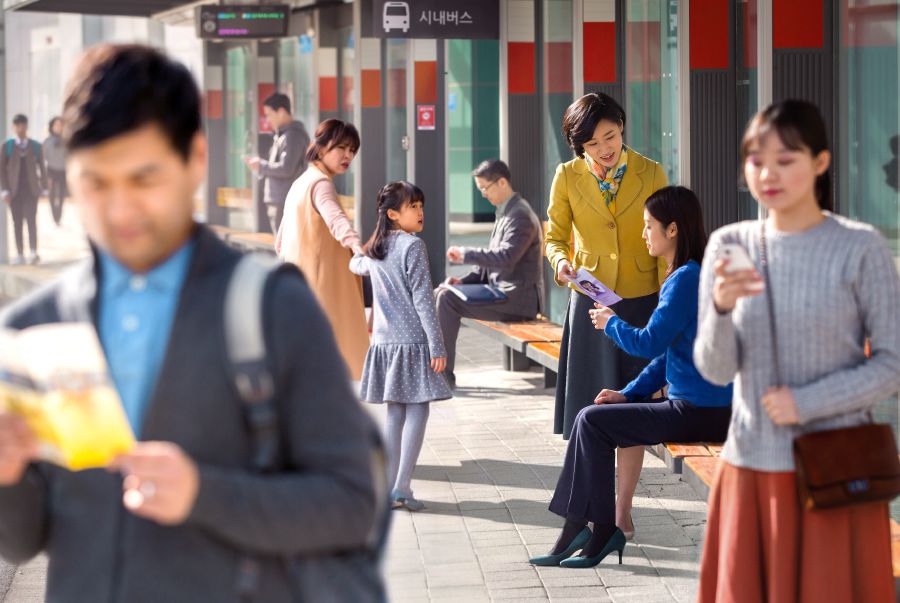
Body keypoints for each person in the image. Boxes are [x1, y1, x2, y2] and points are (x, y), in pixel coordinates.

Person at [0, 44, 384, 602]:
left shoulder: (272, 310)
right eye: (95, 183)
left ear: (195, 160)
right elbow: (22, 541)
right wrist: (8, 476)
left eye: (143, 177)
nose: (120, 210)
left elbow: (351, 505)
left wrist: (203, 493)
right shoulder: (37, 328)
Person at [695, 100, 900, 602]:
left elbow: (892, 363)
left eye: (786, 160)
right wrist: (721, 308)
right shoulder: (728, 245)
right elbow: (715, 370)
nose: (769, 174)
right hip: (750, 467)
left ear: (821, 162)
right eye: (756, 160)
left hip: (833, 473)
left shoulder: (860, 247)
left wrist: (805, 402)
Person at [529, 185, 732, 569]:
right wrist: (628, 393)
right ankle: (587, 528)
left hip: (700, 411)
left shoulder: (686, 278)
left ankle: (591, 529)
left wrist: (611, 323)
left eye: (648, 226)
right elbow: (667, 353)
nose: (643, 234)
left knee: (591, 421)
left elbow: (648, 342)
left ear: (672, 230)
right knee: (593, 418)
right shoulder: (692, 274)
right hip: (700, 406)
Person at [545, 92, 668, 439]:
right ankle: (591, 481)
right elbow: (554, 238)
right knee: (588, 406)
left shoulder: (652, 172)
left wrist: (666, 300)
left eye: (610, 136)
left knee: (635, 408)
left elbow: (665, 242)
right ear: (579, 145)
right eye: (592, 143)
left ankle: (624, 492)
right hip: (590, 301)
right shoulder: (567, 176)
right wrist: (561, 262)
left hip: (642, 299)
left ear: (622, 127)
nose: (604, 148)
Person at [350, 181, 452, 511]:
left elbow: (357, 264)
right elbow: (424, 299)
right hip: (412, 342)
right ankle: (402, 487)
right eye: (413, 206)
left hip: (383, 343)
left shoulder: (377, 248)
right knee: (418, 408)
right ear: (393, 213)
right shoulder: (412, 247)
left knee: (395, 412)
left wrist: (355, 246)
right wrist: (438, 346)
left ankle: (390, 487)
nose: (421, 211)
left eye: (421, 205)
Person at [437, 159, 543, 388]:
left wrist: (466, 253)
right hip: (502, 292)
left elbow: (506, 257)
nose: (483, 194)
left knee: (447, 300)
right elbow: (489, 265)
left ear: (502, 182)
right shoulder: (506, 211)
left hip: (518, 299)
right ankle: (434, 369)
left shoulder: (520, 215)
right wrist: (462, 281)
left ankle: (441, 376)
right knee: (442, 292)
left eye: (485, 188)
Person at [276, 118, 369, 380]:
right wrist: (357, 248)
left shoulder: (301, 183)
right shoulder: (321, 184)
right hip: (324, 286)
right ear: (321, 146)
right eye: (341, 148)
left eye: (352, 150)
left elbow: (280, 240)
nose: (347, 155)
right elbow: (336, 220)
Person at [244, 93, 310, 234]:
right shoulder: (283, 134)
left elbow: (287, 169)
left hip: (284, 200)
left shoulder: (293, 135)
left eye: (269, 114)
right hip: (280, 199)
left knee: (285, 250)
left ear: (281, 112)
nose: (268, 120)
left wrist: (261, 166)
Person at [0, 114, 47, 265]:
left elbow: (42, 168)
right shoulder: (7, 146)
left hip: (31, 190)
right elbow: (1, 170)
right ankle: (20, 253)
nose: (21, 128)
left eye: (23, 125)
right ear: (14, 127)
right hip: (14, 192)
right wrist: (4, 190)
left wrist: (44, 187)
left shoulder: (35, 146)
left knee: (32, 220)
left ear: (27, 127)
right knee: (17, 222)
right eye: (18, 125)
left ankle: (33, 252)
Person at [43, 116, 67, 226]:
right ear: (52, 127)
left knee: (62, 194)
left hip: (63, 171)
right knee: (52, 194)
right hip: (51, 171)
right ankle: (54, 215)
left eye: (60, 125)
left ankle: (59, 216)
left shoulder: (67, 139)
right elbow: (44, 157)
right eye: (56, 125)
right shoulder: (47, 141)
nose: (58, 127)